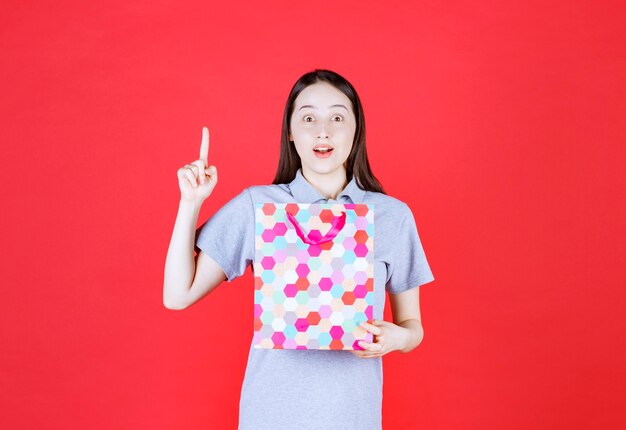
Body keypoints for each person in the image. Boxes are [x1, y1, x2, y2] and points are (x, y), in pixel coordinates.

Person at [163, 69, 435, 429]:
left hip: (354, 419)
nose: (323, 131)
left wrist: (399, 338)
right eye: (308, 118)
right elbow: (177, 295)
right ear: (291, 132)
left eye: (338, 117)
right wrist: (190, 203)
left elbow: (412, 326)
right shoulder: (259, 207)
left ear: (356, 131)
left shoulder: (391, 217)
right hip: (269, 417)